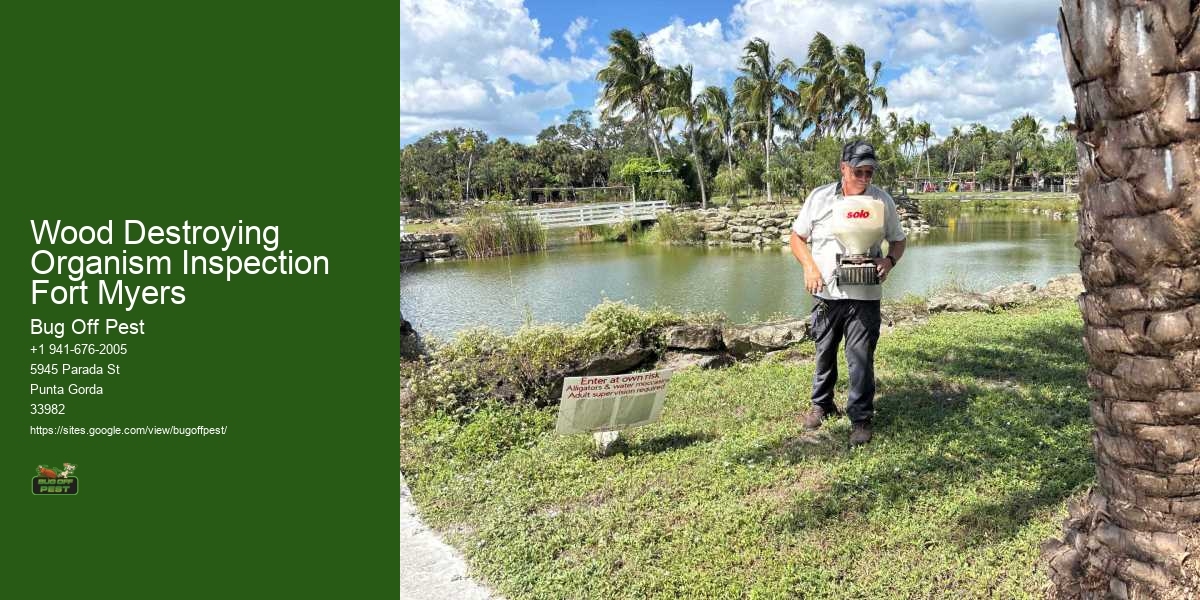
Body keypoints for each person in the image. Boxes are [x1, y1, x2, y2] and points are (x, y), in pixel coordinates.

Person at [789, 140, 907, 446]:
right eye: (859, 172)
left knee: (861, 356)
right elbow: (797, 237)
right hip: (826, 291)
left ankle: (861, 418)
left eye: (870, 173)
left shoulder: (881, 202)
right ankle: (822, 404)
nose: (865, 179)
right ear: (843, 168)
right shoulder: (819, 198)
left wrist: (889, 261)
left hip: (864, 293)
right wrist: (809, 267)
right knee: (824, 351)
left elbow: (898, 240)